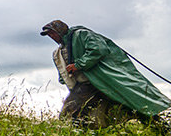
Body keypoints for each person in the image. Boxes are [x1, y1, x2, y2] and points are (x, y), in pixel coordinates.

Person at [41, 20, 171, 127]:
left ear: (60, 30)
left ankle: (163, 130)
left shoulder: (81, 35)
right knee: (81, 112)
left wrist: (78, 65)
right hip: (86, 84)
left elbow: (99, 49)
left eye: (52, 33)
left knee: (135, 105)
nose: (52, 37)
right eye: (49, 35)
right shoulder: (59, 51)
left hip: (102, 79)